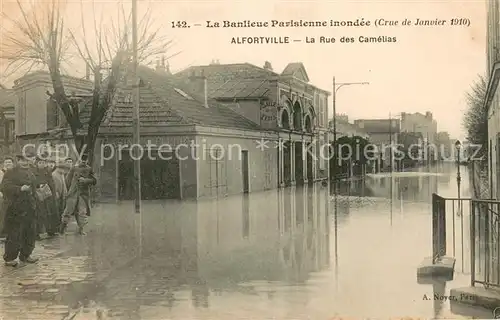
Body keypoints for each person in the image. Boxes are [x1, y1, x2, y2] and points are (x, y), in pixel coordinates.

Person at [1, 154, 39, 266]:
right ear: (18, 161)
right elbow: (4, 187)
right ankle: (9, 258)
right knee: (14, 235)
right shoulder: (11, 172)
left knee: (30, 233)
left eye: (27, 160)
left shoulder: (30, 172)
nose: (25, 162)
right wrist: (19, 189)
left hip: (30, 207)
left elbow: (33, 188)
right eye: (22, 160)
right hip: (15, 209)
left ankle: (25, 255)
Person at [61, 155, 96, 235]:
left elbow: (94, 180)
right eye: (82, 160)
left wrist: (86, 180)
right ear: (79, 160)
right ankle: (62, 228)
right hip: (73, 193)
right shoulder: (74, 168)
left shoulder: (89, 169)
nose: (83, 162)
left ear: (87, 160)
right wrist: (69, 190)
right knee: (68, 210)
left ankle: (81, 229)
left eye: (85, 160)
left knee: (82, 212)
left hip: (83, 194)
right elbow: (67, 180)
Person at [33, 157, 57, 239]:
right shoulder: (33, 172)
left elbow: (52, 183)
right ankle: (37, 233)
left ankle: (50, 231)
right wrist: (38, 185)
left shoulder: (48, 171)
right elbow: (32, 182)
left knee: (49, 213)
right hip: (37, 195)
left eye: (43, 163)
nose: (42, 164)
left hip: (47, 194)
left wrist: (54, 193)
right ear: (36, 164)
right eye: (40, 163)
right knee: (38, 214)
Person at [51, 160, 68, 233]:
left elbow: (64, 185)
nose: (63, 170)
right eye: (61, 168)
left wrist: (65, 193)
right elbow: (54, 186)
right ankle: (56, 228)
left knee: (61, 211)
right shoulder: (54, 175)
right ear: (58, 168)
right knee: (57, 212)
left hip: (62, 196)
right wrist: (56, 193)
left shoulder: (61, 175)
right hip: (57, 196)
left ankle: (59, 227)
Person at [0, 157, 15, 239]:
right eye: (6, 162)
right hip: (3, 196)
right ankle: (1, 232)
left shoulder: (14, 172)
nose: (8, 164)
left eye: (10, 162)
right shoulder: (1, 173)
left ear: (13, 163)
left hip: (13, 197)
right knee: (3, 214)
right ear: (3, 164)